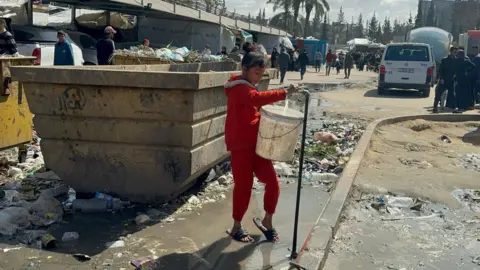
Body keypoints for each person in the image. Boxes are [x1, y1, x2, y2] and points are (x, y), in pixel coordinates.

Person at [223, 48, 299, 243]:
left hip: (257, 144)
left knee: (272, 183)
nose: (259, 77)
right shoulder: (237, 87)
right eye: (256, 73)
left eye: (262, 74)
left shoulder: (247, 85)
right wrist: (284, 92)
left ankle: (268, 220)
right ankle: (236, 226)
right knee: (244, 186)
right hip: (241, 145)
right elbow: (255, 99)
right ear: (245, 68)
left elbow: (256, 103)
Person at [437, 47, 458, 113]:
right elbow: (440, 70)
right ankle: (441, 106)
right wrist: (441, 78)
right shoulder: (444, 60)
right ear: (450, 51)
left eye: (456, 52)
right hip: (444, 79)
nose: (455, 54)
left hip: (452, 80)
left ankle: (452, 107)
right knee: (442, 93)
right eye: (454, 52)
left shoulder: (456, 60)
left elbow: (457, 71)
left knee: (452, 94)